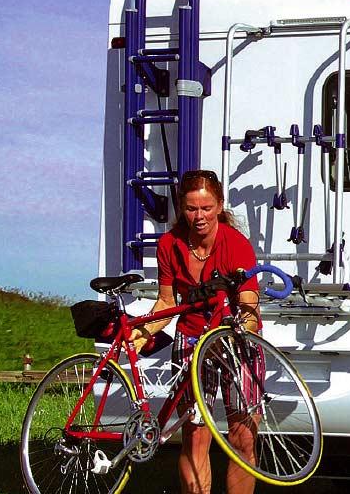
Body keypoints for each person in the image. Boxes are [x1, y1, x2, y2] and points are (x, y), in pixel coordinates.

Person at [129, 169, 261, 494]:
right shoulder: (169, 244)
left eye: (206, 208)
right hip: (190, 339)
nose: (199, 216)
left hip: (234, 342)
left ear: (219, 206)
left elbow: (250, 309)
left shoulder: (236, 245)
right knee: (195, 435)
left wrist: (234, 335)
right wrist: (144, 331)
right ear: (181, 208)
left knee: (242, 437)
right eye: (191, 208)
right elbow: (166, 302)